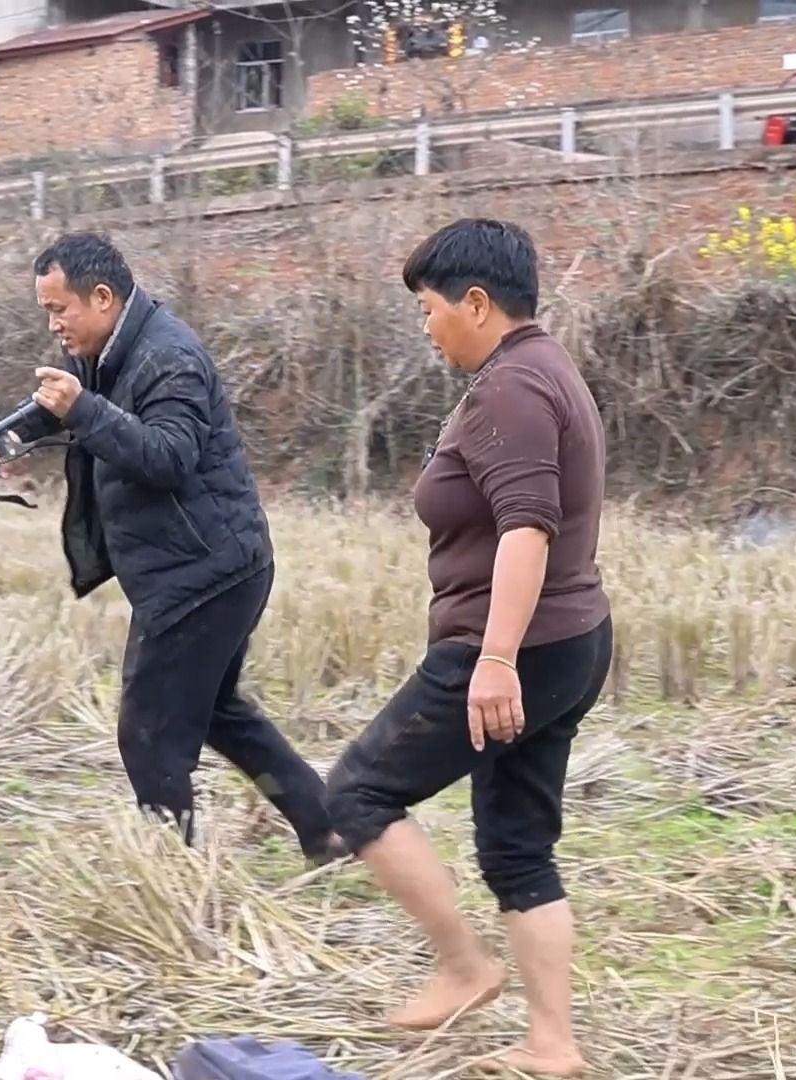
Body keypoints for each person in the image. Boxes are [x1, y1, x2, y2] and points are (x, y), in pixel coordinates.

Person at [322, 218, 612, 1078]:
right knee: (518, 846)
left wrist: (491, 661)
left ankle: (463, 964)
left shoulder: (510, 391)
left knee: (357, 794)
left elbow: (527, 527)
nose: (426, 324)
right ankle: (553, 1046)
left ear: (476, 301)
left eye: (429, 307)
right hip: (569, 641)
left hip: (511, 647)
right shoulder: (548, 369)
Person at [0, 230, 340, 865]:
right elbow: (53, 405)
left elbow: (167, 457)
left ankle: (174, 874)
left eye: (58, 309)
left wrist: (85, 411)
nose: (53, 324)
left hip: (205, 575)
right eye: (45, 310)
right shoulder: (105, 349)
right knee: (218, 713)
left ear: (101, 297)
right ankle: (325, 827)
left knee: (147, 733)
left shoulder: (168, 358)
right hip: (207, 565)